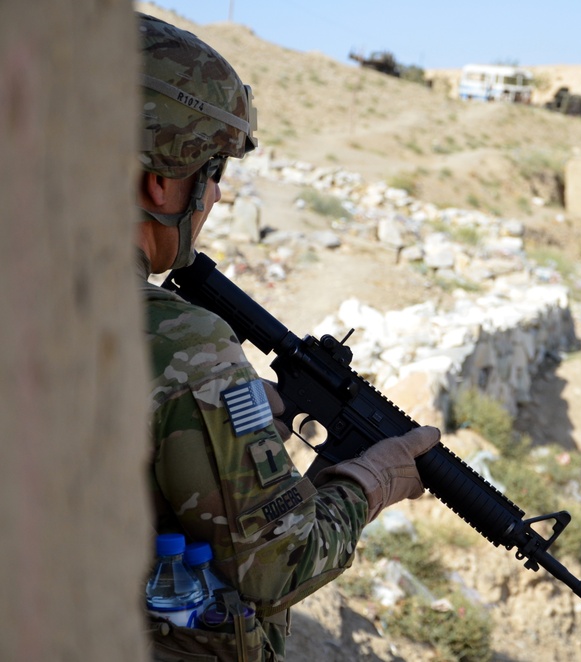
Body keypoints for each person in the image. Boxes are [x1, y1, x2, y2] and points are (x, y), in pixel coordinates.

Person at [135, 13, 440, 661]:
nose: (215, 195)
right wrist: (370, 483)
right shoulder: (183, 345)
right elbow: (277, 565)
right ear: (161, 180)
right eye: (211, 172)